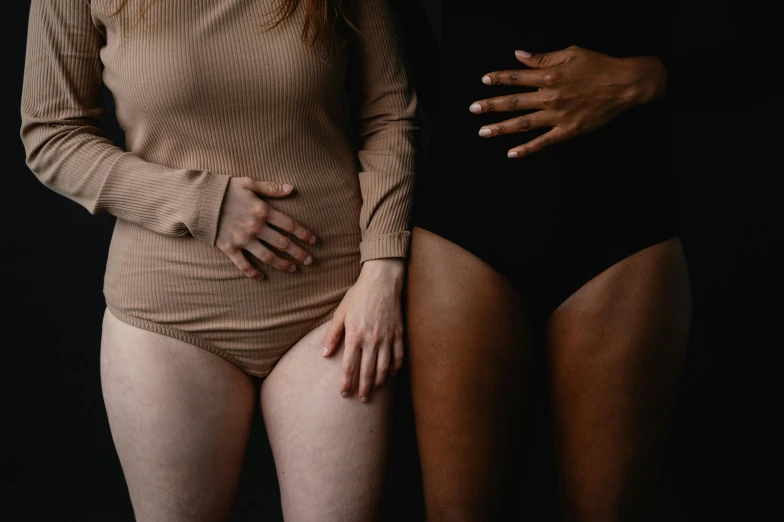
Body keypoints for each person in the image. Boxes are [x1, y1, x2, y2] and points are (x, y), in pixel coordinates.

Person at [20, 0, 417, 520]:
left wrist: (383, 267)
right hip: (168, 315)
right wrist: (201, 204)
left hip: (335, 305)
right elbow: (52, 133)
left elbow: (389, 116)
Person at [406, 2, 693, 520]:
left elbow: (757, 42)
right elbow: (388, 41)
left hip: (623, 225)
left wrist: (641, 79)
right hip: (466, 219)